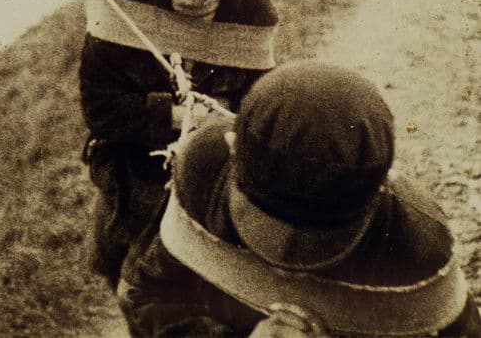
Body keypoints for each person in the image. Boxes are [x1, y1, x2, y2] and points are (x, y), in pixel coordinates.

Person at [118, 60, 481, 337]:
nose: (288, 259)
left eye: (316, 237)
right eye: (269, 220)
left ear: (379, 189)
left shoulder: (417, 242)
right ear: (232, 148)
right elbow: (142, 294)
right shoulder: (205, 172)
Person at [78, 0, 278, 291]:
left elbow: (257, 114)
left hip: (213, 177)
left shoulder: (253, 11)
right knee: (132, 285)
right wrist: (179, 116)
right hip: (131, 173)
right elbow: (100, 110)